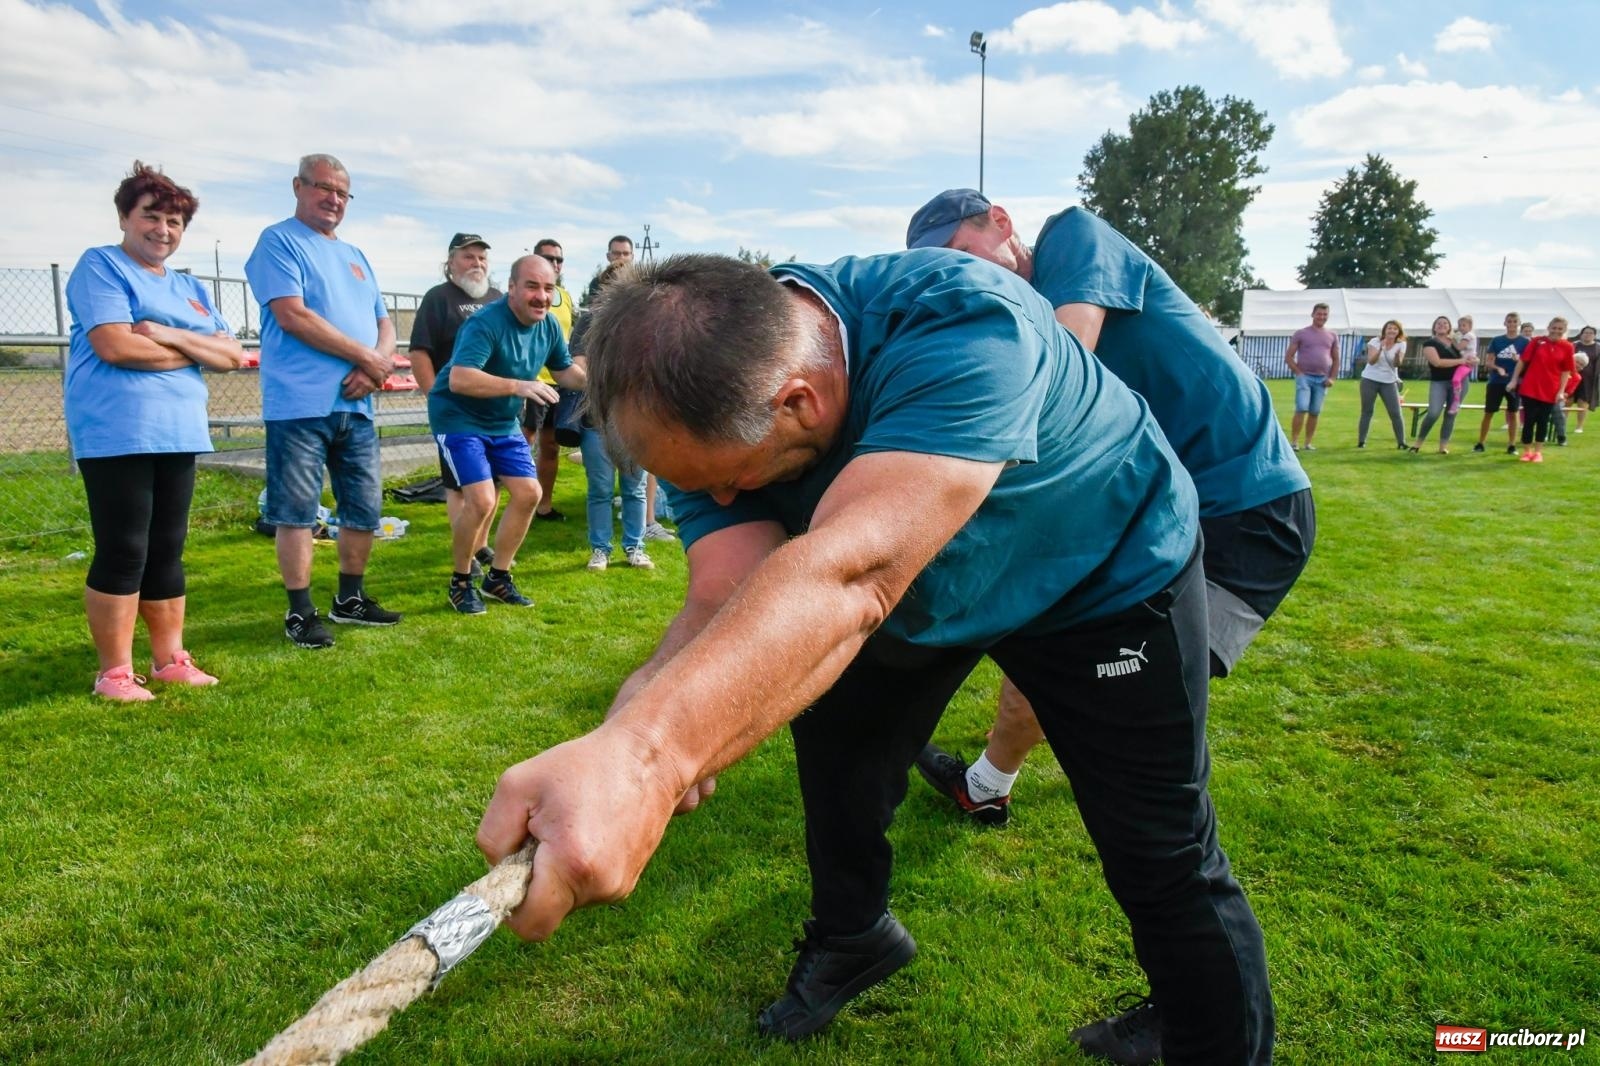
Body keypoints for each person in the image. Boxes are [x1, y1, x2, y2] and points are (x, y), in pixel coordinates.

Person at [477, 252, 1275, 1066]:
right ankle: (853, 936)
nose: (720, 499)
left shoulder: (966, 324)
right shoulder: (697, 399)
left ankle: (1201, 1024)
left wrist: (649, 763)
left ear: (799, 402)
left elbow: (856, 575)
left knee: (1160, 847)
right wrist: (627, 736)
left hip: (1099, 576)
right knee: (838, 759)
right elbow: (724, 595)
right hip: (914, 589)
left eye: (731, 481)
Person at [899, 192, 1311, 868]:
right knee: (1065, 636)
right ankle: (987, 787)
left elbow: (1062, 367)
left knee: (1138, 691)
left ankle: (1176, 852)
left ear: (1001, 222)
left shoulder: (1073, 237)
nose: (965, 275)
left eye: (964, 254)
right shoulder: (1015, 315)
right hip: (1159, 506)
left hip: (1243, 500)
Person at [64, 161, 246, 700]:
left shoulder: (189, 287)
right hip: (118, 429)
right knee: (124, 549)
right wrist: (196, 350)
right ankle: (114, 673)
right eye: (151, 217)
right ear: (125, 217)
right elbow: (114, 345)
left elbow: (232, 355)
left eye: (174, 222)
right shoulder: (101, 265)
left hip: (179, 431)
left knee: (167, 548)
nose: (162, 230)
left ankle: (170, 659)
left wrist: (168, 334)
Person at [244, 153, 402, 649]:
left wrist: (375, 365)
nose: (333, 199)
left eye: (341, 192)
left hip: (356, 405)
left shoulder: (355, 255)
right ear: (298, 187)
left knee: (364, 507)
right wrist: (366, 358)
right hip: (300, 405)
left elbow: (384, 323)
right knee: (296, 511)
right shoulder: (279, 241)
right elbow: (293, 315)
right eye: (323, 188)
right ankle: (300, 611)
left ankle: (349, 599)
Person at [430, 255, 587, 613]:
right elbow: (460, 378)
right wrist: (519, 385)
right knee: (482, 500)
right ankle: (460, 582)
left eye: (548, 288)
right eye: (532, 286)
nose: (541, 296)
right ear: (512, 288)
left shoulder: (548, 326)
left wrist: (603, 383)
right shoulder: (485, 323)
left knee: (530, 493)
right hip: (458, 418)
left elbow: (565, 372)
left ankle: (497, 578)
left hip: (501, 421)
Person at [410, 232, 501, 576]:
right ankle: (466, 556)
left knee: (493, 482)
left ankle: (481, 544)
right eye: (468, 257)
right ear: (450, 262)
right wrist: (435, 397)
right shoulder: (438, 298)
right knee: (460, 486)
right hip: (456, 412)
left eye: (481, 257)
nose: (476, 263)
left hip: (495, 409)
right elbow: (420, 352)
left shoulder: (497, 299)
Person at [568, 263, 653, 572]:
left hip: (635, 421)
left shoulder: (645, 321)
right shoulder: (588, 321)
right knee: (600, 490)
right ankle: (600, 550)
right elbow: (579, 364)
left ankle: (635, 547)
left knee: (635, 488)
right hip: (597, 420)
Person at [521, 238, 576, 523]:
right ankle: (520, 504)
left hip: (560, 382)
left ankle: (544, 505)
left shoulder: (564, 297)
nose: (555, 264)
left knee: (551, 446)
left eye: (559, 259)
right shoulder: (524, 296)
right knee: (522, 444)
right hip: (532, 382)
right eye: (548, 258)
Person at [1507, 317, 1575, 463]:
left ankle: (1538, 452)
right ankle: (1527, 451)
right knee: (1529, 420)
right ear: (1549, 327)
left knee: (1543, 421)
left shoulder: (1568, 347)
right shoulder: (1537, 341)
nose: (1556, 331)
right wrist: (1514, 380)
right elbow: (1522, 361)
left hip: (1551, 390)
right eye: (1554, 328)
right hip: (1530, 387)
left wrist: (1561, 391)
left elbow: (1566, 371)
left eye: (1560, 329)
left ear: (1564, 330)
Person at [1409, 316, 1473, 454]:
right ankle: (1418, 443)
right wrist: (1460, 361)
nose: (1442, 325)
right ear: (1434, 327)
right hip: (1439, 382)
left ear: (1450, 327)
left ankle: (1443, 446)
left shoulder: (1457, 342)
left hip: (1460, 382)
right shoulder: (1429, 343)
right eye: (1439, 323)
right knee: (1433, 413)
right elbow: (1437, 362)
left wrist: (1473, 360)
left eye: (1445, 323)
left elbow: (1470, 354)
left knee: (1451, 414)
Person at [1285, 302, 1339, 450]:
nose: (1322, 317)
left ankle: (1308, 443)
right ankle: (1294, 442)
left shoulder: (1332, 335)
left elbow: (1336, 359)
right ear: (1313, 314)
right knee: (1302, 407)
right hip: (1305, 377)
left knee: (1315, 411)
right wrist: (1299, 373)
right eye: (1319, 314)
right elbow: (1289, 356)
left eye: (1325, 314)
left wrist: (1332, 378)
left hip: (1322, 379)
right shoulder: (1301, 333)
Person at [1475, 312, 1527, 453]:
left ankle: (1511, 445)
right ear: (1505, 323)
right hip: (1496, 381)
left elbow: (1528, 363)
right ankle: (1480, 443)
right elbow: (1489, 362)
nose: (1512, 324)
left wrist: (1519, 360)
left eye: (1515, 321)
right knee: (1489, 412)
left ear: (1519, 323)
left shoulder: (1525, 342)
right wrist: (1498, 368)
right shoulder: (1497, 340)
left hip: (1515, 382)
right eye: (1509, 321)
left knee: (1513, 412)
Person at [1358, 320, 1409, 449]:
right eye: (1389, 328)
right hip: (1370, 379)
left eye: (1395, 329)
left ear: (1399, 331)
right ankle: (1361, 441)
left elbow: (1398, 364)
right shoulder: (1374, 341)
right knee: (1367, 410)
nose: (1392, 331)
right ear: (1384, 330)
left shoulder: (1401, 344)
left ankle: (1401, 442)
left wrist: (1397, 357)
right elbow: (1371, 361)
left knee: (1395, 412)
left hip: (1389, 381)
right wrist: (1381, 348)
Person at [1572, 325, 1598, 433]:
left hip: (1588, 380)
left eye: (1590, 333)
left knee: (1583, 402)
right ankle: (1561, 424)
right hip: (1571, 377)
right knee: (1567, 400)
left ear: (1594, 335)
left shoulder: (1598, 348)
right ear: (1581, 334)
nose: (1588, 335)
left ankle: (1579, 426)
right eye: (1585, 332)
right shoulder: (1574, 345)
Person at [1449, 315, 1477, 415]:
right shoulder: (1466, 335)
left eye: (1464, 325)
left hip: (1467, 362)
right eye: (1459, 325)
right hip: (1465, 361)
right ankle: (1456, 401)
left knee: (1456, 380)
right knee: (1456, 380)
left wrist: (1452, 339)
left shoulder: (1468, 335)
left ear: (1470, 326)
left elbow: (1459, 347)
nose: (1461, 328)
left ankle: (1456, 402)